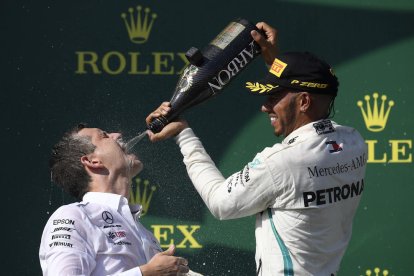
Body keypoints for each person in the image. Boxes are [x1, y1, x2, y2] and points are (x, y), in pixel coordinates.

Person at [145, 22, 368, 275]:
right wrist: (275, 62)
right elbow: (308, 96)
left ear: (304, 101)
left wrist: (183, 133)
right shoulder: (353, 143)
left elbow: (220, 203)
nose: (265, 107)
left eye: (273, 97)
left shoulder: (281, 162)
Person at [39, 124, 193, 276]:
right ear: (93, 161)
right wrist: (144, 274)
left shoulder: (144, 232)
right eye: (104, 135)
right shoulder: (73, 217)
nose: (118, 136)